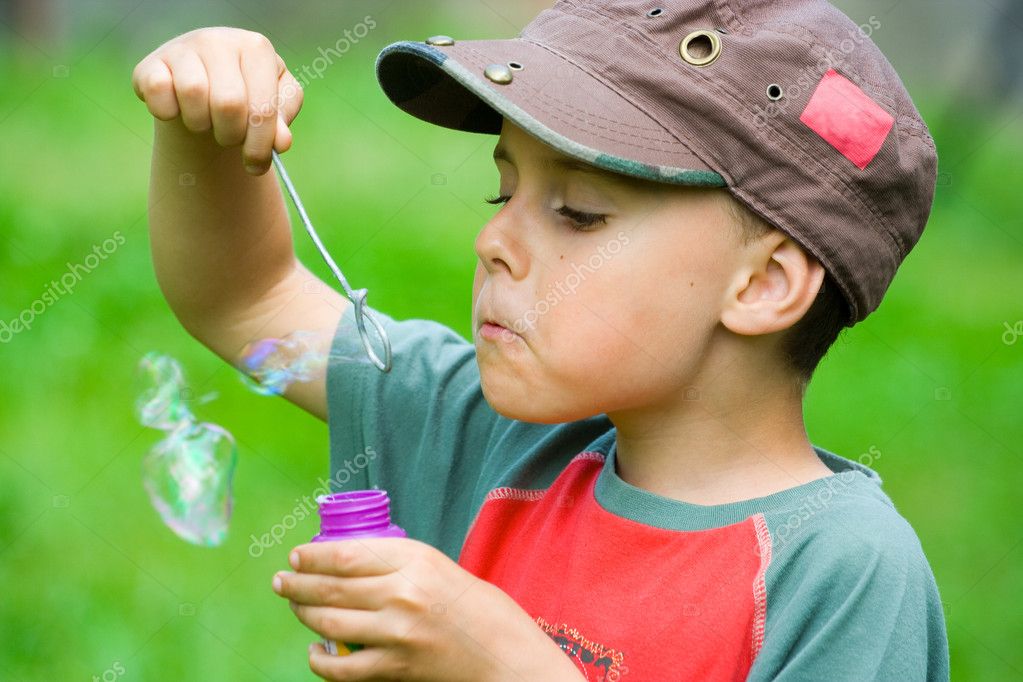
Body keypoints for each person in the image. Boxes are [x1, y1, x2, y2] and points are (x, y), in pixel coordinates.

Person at [132, 1, 949, 679]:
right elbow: (249, 298)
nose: (492, 243)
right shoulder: (488, 441)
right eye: (503, 191)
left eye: (578, 213)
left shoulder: (843, 574)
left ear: (761, 284)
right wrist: (204, 129)